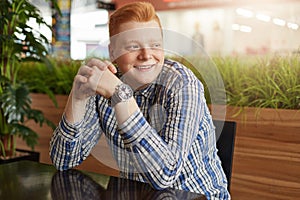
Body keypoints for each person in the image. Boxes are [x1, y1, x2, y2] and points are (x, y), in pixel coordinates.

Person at [49, 2, 230, 199]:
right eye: (133, 46)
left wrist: (120, 94)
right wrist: (77, 98)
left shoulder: (182, 84)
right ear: (113, 53)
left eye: (155, 45)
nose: (146, 55)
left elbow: (164, 176)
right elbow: (63, 160)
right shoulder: (107, 84)